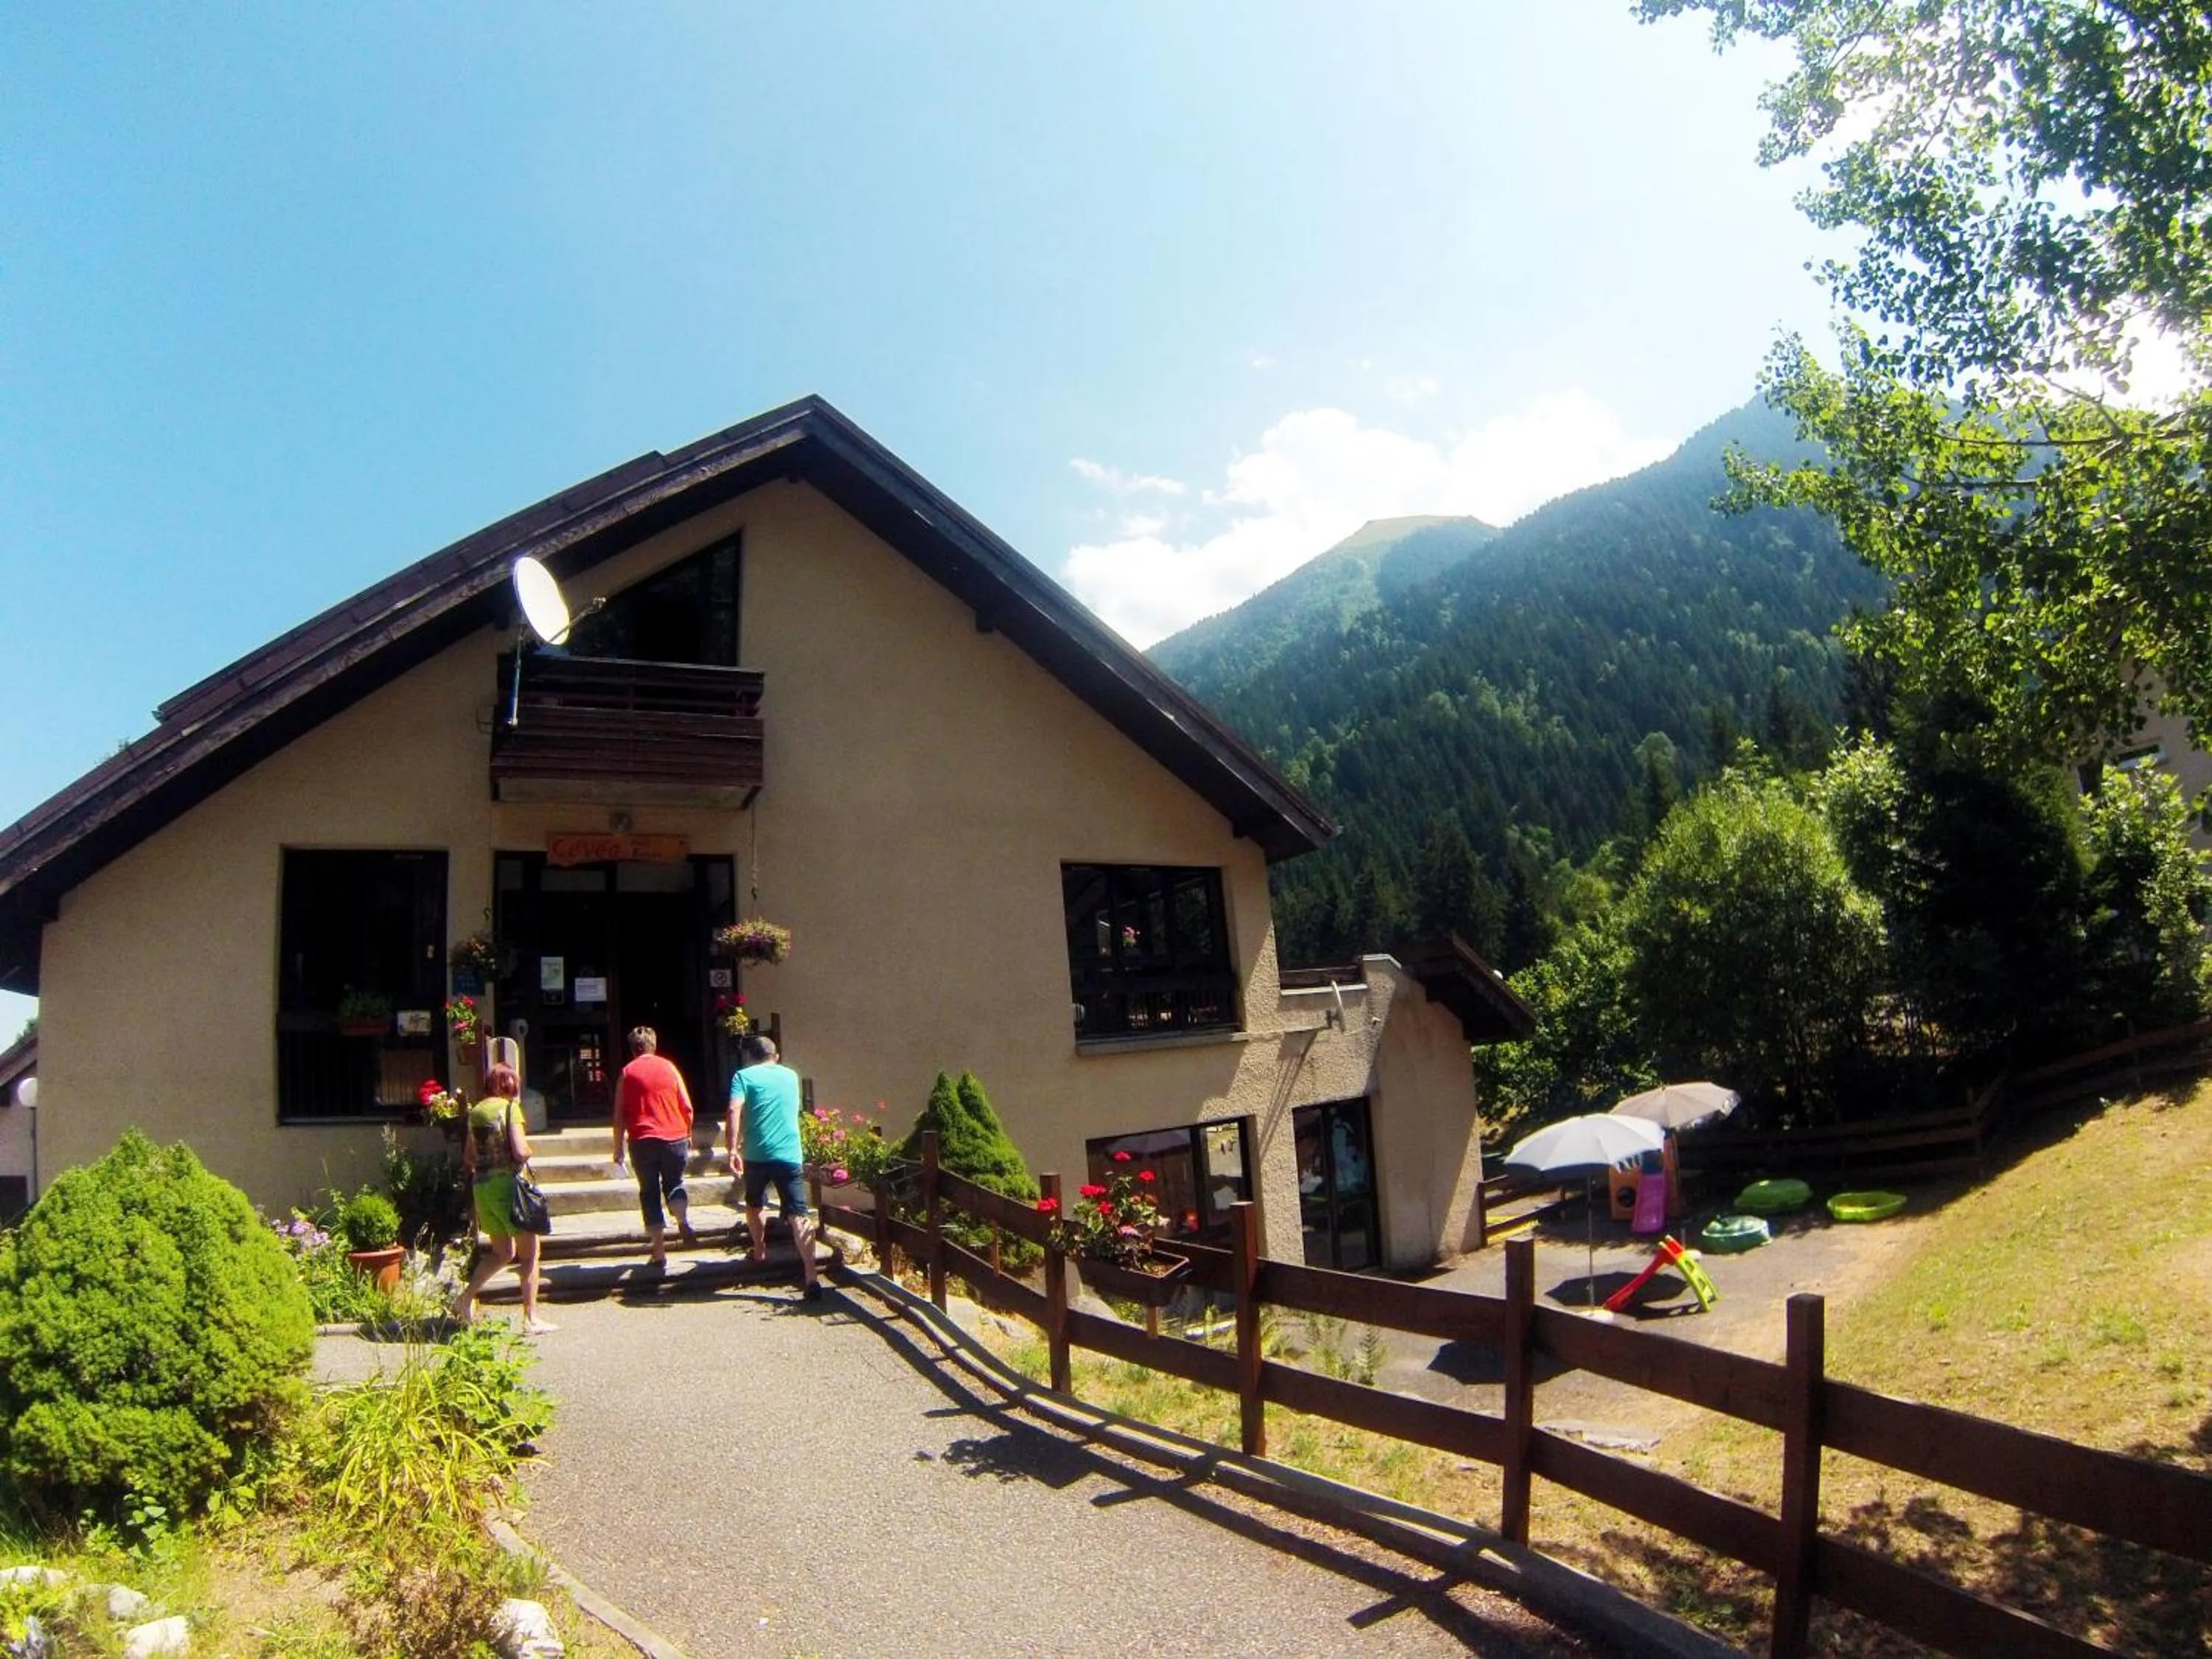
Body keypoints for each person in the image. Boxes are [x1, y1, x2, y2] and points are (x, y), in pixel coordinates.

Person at [453, 1060, 555, 1334]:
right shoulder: (511, 1109)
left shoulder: (475, 1112)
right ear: (509, 1085)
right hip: (509, 1188)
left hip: (483, 1187)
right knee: (530, 1255)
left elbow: (469, 1157)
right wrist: (529, 1152)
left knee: (502, 1252)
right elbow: (520, 1151)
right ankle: (531, 1318)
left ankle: (464, 1299)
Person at [726, 1032, 821, 1301]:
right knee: (798, 1213)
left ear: (750, 1057)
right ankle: (811, 1275)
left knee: (754, 1205)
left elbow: (734, 1110)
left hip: (757, 1154)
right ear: (776, 1056)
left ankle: (759, 1250)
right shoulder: (791, 1076)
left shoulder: (743, 1077)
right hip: (790, 1152)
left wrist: (732, 1148)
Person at [612, 1026, 698, 1270]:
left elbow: (619, 1115)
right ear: (654, 1045)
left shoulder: (627, 1073)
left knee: (649, 1192)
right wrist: (688, 1133)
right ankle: (681, 1217)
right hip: (675, 1137)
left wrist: (618, 1148)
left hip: (642, 1139)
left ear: (632, 1050)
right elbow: (688, 1106)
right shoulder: (670, 1068)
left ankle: (659, 1253)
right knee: (674, 1183)